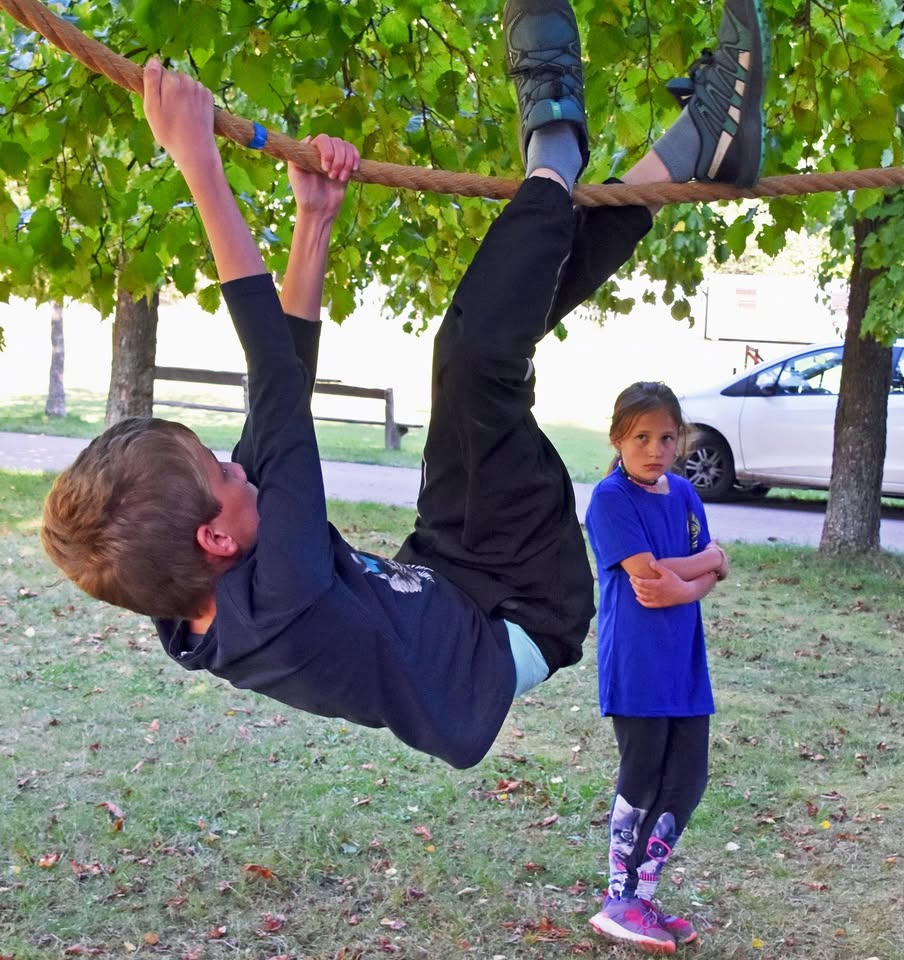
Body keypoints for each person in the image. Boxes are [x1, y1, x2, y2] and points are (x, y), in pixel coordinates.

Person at [39, 0, 766, 772]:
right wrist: (198, 164)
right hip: (522, 606)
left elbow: (279, 392)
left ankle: (693, 148)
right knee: (474, 364)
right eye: (221, 472)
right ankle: (556, 143)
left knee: (480, 354)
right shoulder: (283, 597)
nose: (237, 465)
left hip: (448, 571)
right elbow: (275, 380)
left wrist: (314, 221)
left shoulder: (194, 579)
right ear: (215, 538)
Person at [583, 381, 728, 953]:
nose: (655, 449)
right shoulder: (611, 498)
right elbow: (649, 578)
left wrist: (691, 579)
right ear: (618, 437)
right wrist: (710, 562)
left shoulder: (686, 494)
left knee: (686, 779)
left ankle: (642, 897)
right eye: (641, 437)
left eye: (667, 438)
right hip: (638, 661)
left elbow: (696, 577)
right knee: (643, 778)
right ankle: (617, 900)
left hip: (684, 660)